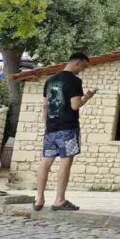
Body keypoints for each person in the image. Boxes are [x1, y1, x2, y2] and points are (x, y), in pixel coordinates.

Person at [34, 52, 96, 212]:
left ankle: (39, 198)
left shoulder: (50, 80)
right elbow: (75, 105)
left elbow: (45, 105)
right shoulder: (74, 81)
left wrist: (47, 125)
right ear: (77, 63)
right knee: (65, 161)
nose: (82, 70)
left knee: (46, 162)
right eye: (83, 66)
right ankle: (59, 200)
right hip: (68, 127)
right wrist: (87, 97)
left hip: (51, 128)